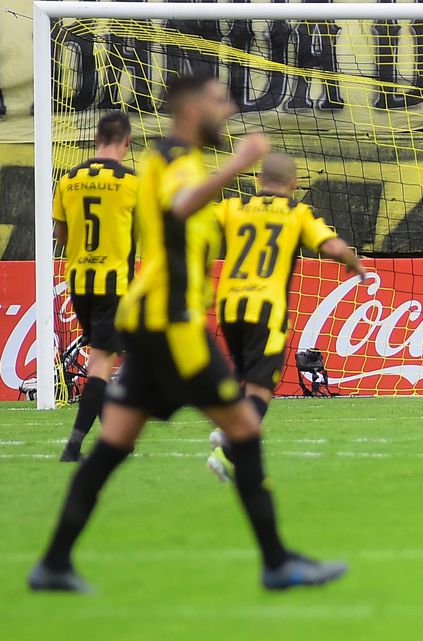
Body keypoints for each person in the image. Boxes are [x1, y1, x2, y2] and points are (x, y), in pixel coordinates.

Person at [28, 74, 346, 593]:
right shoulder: (173, 161)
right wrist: (241, 164)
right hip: (172, 328)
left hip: (150, 326)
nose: (229, 111)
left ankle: (54, 562)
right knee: (244, 429)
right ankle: (276, 562)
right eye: (221, 101)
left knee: (112, 445)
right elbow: (180, 207)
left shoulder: (181, 162)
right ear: (193, 107)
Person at [206, 152, 368, 482]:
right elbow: (331, 247)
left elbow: (194, 224)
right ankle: (228, 449)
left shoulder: (233, 208)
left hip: (230, 305)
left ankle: (229, 431)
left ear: (258, 180)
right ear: (294, 183)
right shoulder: (296, 213)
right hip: (266, 309)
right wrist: (356, 265)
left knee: (246, 378)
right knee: (262, 387)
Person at [52, 112, 137, 462]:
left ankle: (114, 438)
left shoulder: (68, 180)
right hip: (113, 284)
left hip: (79, 283)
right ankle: (73, 445)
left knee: (102, 358)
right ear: (127, 142)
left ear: (96, 139)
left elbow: (61, 234)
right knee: (101, 364)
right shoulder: (132, 182)